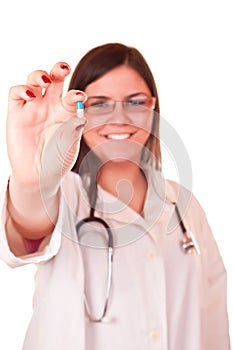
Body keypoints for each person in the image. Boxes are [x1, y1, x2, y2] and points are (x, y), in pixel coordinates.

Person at [0, 43, 231, 350]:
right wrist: (31, 184)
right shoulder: (64, 194)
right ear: (77, 113)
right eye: (99, 104)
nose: (120, 117)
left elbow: (214, 319)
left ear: (153, 107)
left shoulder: (183, 206)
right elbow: (27, 228)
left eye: (135, 102)